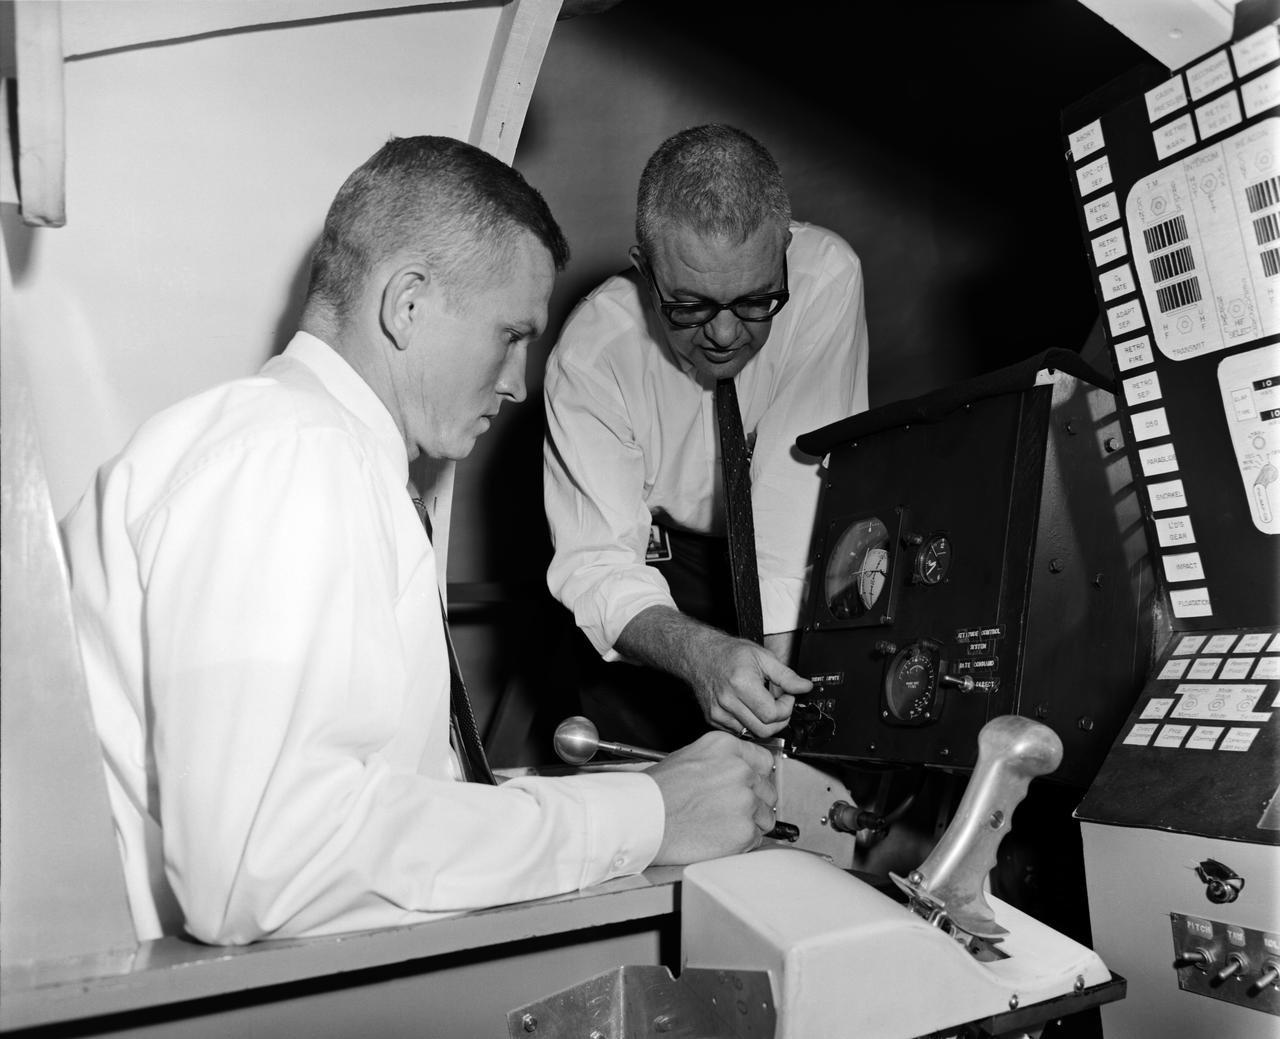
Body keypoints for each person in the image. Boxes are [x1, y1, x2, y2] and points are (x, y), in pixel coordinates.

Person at [59, 135, 778, 947]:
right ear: (407, 304)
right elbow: (258, 870)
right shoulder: (289, 452)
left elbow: (365, 810)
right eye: (511, 334)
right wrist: (647, 812)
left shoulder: (327, 462)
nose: (516, 381)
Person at [544, 124, 869, 752]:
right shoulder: (592, 354)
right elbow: (598, 562)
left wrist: (781, 707)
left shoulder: (826, 277)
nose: (724, 334)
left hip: (796, 550)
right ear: (645, 269)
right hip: (658, 568)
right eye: (690, 306)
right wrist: (700, 654)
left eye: (754, 301)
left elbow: (790, 493)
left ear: (785, 250)